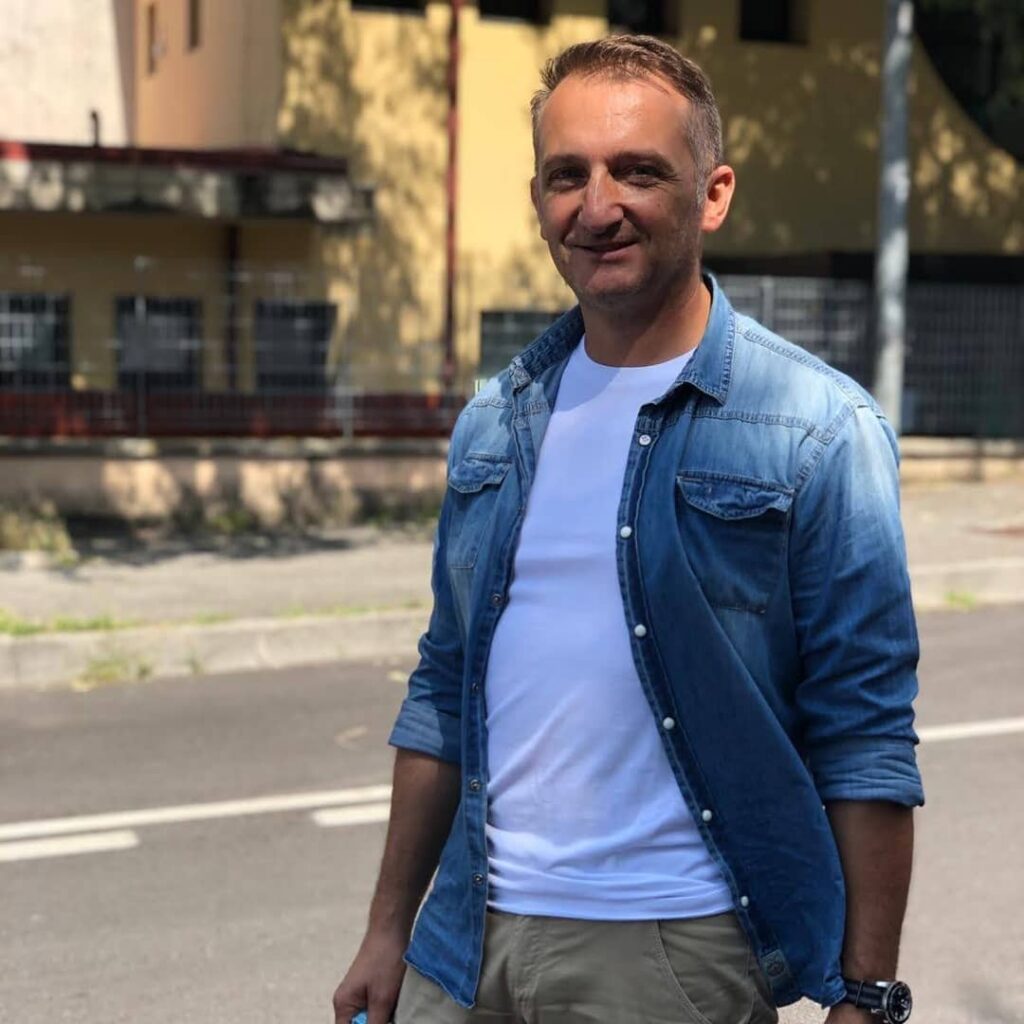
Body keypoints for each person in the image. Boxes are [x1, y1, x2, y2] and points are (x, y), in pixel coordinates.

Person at [333, 34, 924, 1024]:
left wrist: (865, 994)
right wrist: (387, 929)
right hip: (460, 945)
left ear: (713, 195)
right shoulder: (496, 420)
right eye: (567, 175)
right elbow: (442, 685)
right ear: (537, 199)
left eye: (638, 172)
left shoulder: (818, 429)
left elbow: (863, 732)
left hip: (667, 953)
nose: (596, 206)